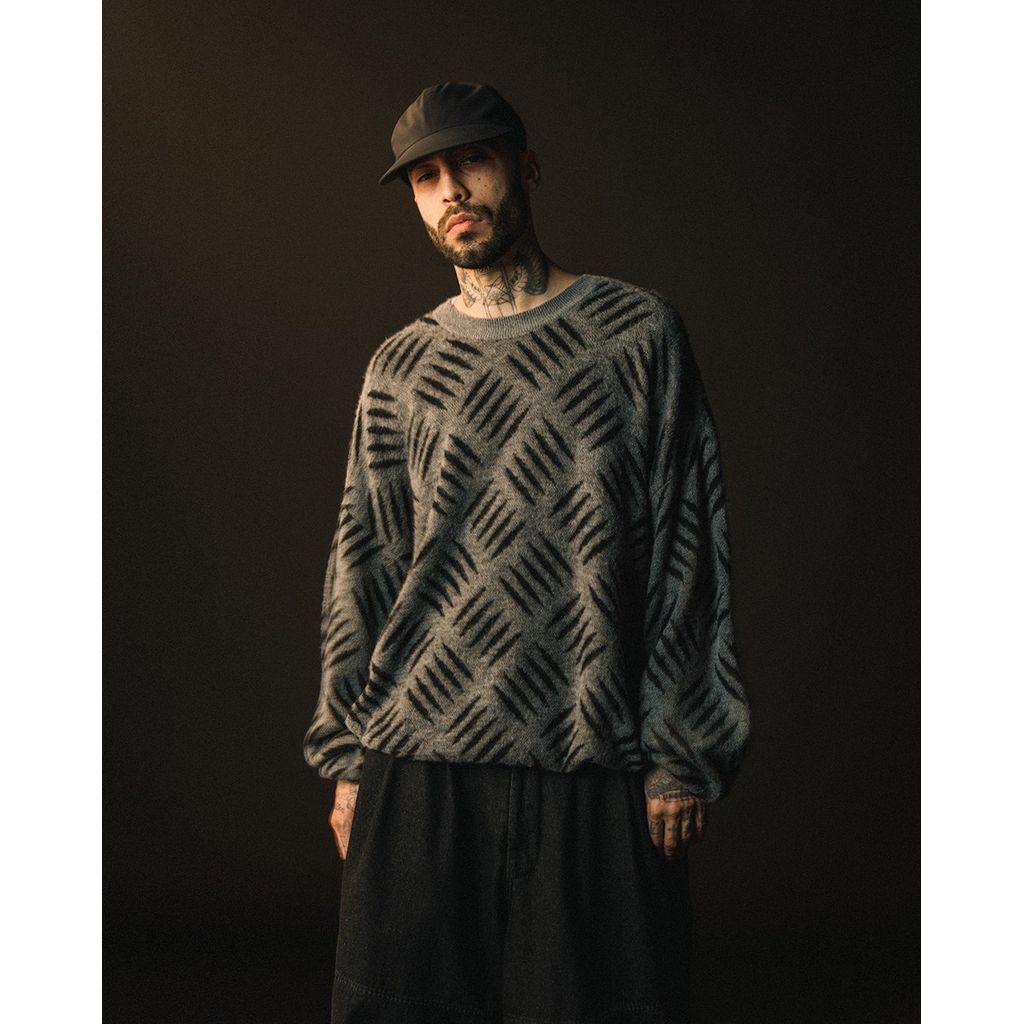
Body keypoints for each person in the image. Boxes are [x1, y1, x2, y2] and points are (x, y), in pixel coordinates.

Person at [303, 81, 752, 1024]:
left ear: (527, 166)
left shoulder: (636, 336)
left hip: (590, 752)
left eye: (471, 161)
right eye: (426, 178)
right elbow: (365, 563)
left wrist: (682, 751)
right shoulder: (402, 367)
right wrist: (347, 755)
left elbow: (688, 548)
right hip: (420, 758)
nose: (451, 191)